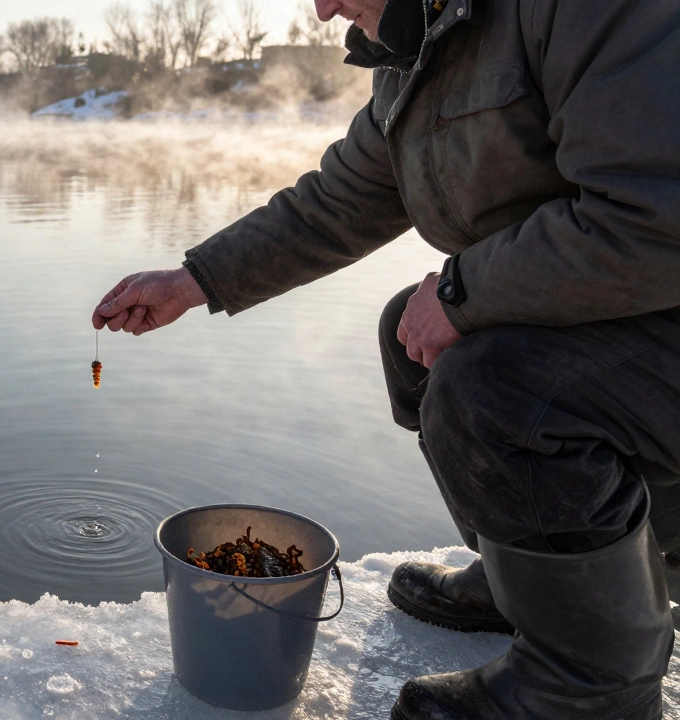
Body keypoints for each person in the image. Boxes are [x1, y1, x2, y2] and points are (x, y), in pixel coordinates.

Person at [91, 1, 680, 718]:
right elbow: (336, 204)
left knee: (490, 386)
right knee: (411, 336)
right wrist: (191, 283)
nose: (322, 9)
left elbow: (655, 215)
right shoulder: (414, 57)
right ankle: (530, 584)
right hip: (630, 311)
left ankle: (595, 684)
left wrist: (464, 294)